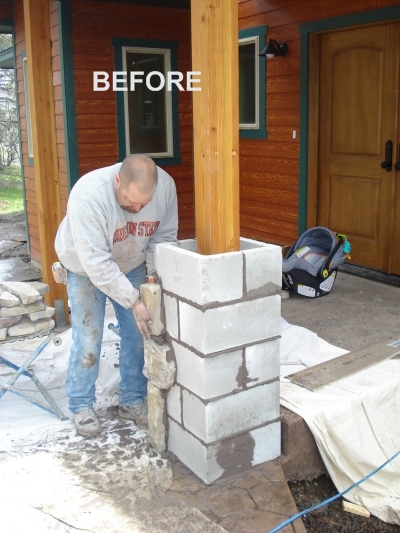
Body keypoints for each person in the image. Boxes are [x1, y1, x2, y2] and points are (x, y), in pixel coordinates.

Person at [55, 154, 178, 438]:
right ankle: (82, 405)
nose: (136, 209)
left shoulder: (166, 189)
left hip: (131, 263)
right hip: (84, 267)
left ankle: (132, 399)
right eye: (129, 201)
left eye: (143, 205)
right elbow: (96, 263)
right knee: (88, 337)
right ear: (118, 180)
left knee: (138, 332)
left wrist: (152, 278)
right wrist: (132, 300)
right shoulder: (88, 195)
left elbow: (163, 237)